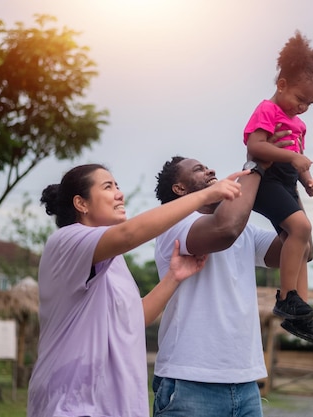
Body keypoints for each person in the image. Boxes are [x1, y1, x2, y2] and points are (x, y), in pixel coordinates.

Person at [26, 163, 249, 417]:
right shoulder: (66, 241)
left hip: (117, 407)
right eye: (108, 187)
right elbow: (130, 234)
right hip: (72, 405)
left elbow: (132, 319)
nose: (120, 194)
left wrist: (173, 277)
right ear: (81, 203)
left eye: (118, 186)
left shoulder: (112, 261)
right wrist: (206, 195)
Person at [151, 153, 284, 417]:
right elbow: (225, 230)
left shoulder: (245, 230)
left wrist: (286, 186)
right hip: (189, 380)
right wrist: (254, 166)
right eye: (199, 169)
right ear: (180, 188)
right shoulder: (174, 224)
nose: (211, 170)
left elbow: (300, 249)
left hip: (245, 382)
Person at [243, 30, 313, 345]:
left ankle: (301, 314)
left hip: (287, 181)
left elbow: (298, 163)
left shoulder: (299, 124)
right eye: (300, 98)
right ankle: (286, 296)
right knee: (300, 227)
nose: (304, 107)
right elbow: (256, 147)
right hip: (265, 179)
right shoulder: (267, 110)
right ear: (281, 85)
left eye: (310, 103)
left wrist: (308, 181)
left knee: (304, 246)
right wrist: (292, 157)